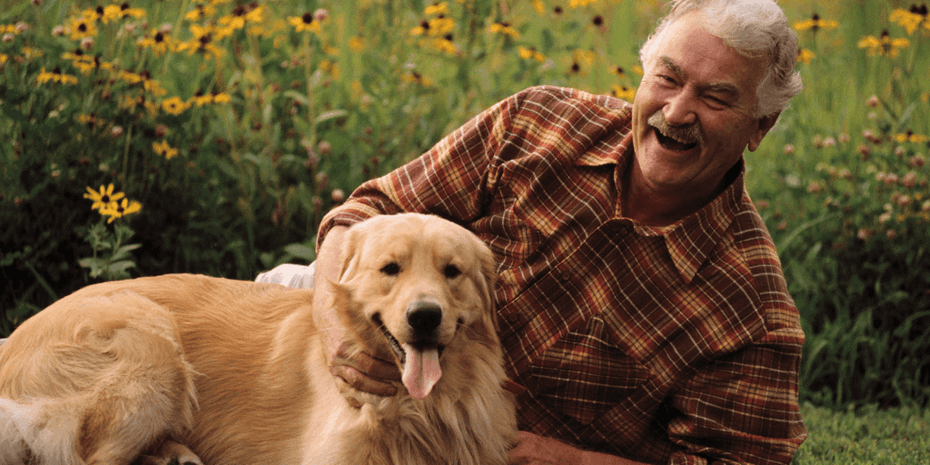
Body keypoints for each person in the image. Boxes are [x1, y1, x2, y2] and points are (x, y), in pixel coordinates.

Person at [258, 0, 807, 463]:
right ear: (643, 76)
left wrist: (567, 460)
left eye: (715, 98)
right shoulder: (539, 122)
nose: (677, 111)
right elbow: (369, 210)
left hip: (498, 444)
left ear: (761, 125)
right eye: (667, 78)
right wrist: (334, 330)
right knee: (270, 298)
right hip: (393, 338)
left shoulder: (752, 312)